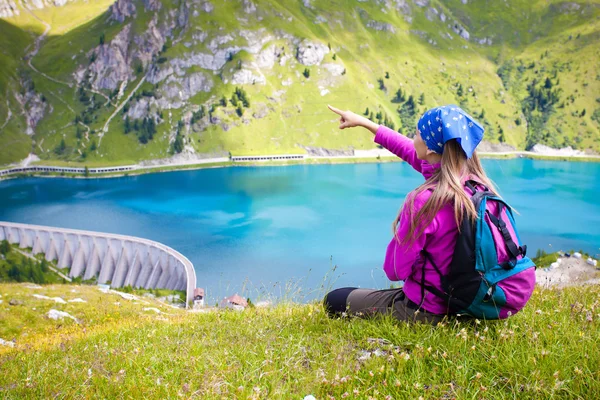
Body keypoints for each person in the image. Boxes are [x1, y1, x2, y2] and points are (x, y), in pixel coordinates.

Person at [323, 104, 512, 324]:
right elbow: (408, 150)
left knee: (334, 300)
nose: (413, 139)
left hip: (428, 308)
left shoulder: (425, 200)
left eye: (417, 133)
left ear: (431, 150)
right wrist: (365, 123)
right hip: (473, 298)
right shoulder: (477, 185)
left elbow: (394, 270)